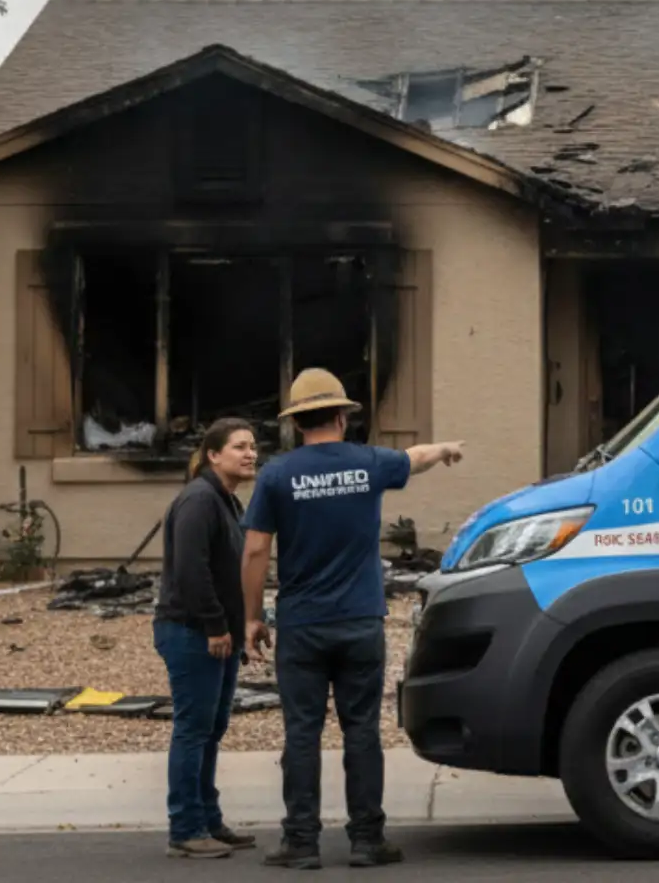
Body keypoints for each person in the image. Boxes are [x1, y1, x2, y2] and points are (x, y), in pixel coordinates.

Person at [243, 368, 464, 870]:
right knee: (360, 730)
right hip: (360, 621)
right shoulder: (369, 463)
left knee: (302, 732)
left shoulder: (277, 475)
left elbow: (255, 549)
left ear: (298, 424)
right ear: (342, 417)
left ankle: (301, 842)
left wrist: (251, 618)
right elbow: (417, 457)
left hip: (301, 625)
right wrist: (446, 447)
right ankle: (367, 839)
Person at [153, 417, 261, 859]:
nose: (250, 453)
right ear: (214, 454)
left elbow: (230, 569)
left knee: (211, 730)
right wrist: (216, 627)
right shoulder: (199, 500)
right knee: (194, 730)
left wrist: (246, 624)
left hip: (220, 635)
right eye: (239, 447)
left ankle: (208, 820)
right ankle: (186, 826)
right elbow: (191, 571)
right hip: (192, 632)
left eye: (253, 446)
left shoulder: (227, 501)